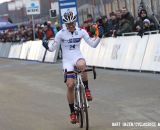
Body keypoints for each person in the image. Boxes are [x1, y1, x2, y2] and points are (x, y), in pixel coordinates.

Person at [42, 10, 102, 124]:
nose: (70, 26)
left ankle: (87, 89)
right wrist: (46, 46)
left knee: (82, 65)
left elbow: (93, 44)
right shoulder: (60, 34)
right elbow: (52, 48)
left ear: (75, 21)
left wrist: (100, 36)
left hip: (77, 56)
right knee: (70, 85)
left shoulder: (81, 31)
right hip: (67, 61)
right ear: (65, 24)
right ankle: (72, 112)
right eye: (68, 24)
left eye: (72, 23)